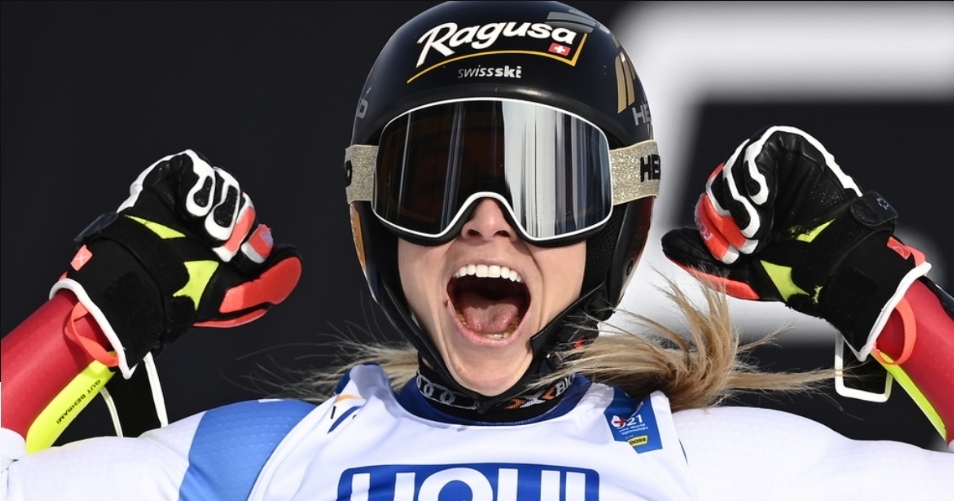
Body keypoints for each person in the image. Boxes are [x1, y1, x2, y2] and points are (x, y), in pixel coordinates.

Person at [2, 1, 952, 500]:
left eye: (547, 184)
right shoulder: (258, 457)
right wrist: (104, 308)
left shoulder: (711, 464)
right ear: (374, 217)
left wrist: (872, 283)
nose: (486, 220)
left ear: (613, 223)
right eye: (434, 181)